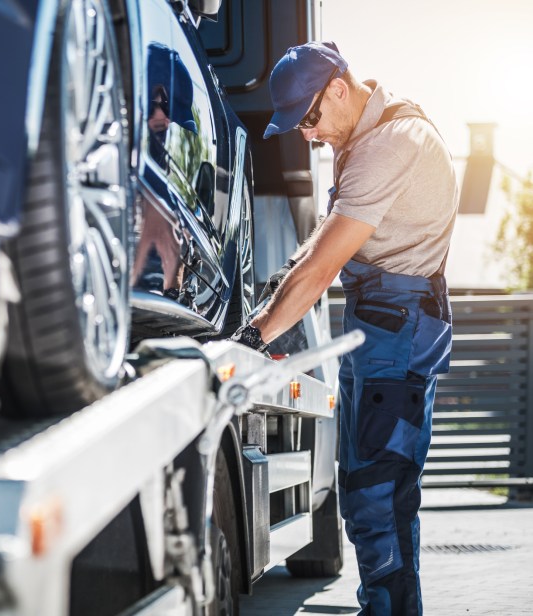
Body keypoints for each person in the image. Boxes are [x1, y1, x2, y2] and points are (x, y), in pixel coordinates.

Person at [231, 41, 457, 615]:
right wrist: (285, 275)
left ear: (337, 87)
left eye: (309, 117)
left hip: (397, 331)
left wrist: (254, 335)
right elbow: (335, 232)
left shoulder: (389, 146)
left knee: (381, 492)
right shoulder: (366, 136)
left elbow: (326, 266)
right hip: (381, 326)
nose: (306, 134)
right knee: (364, 488)